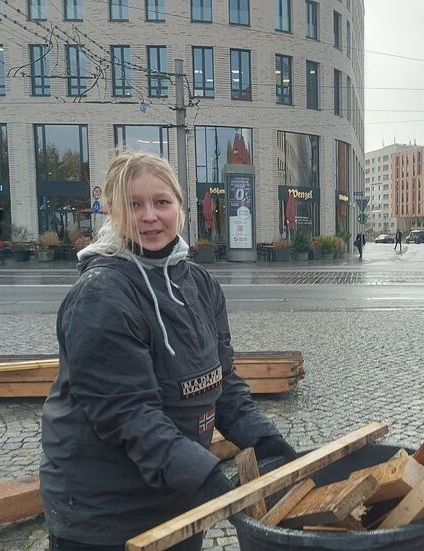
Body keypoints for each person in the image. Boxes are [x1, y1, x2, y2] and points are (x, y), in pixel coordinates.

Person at [40, 151, 296, 551]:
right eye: (133, 205)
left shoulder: (198, 282)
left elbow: (222, 382)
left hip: (176, 500)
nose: (149, 216)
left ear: (179, 205)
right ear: (112, 212)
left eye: (161, 202)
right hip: (106, 515)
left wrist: (266, 443)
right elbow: (129, 414)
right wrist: (210, 479)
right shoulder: (101, 296)